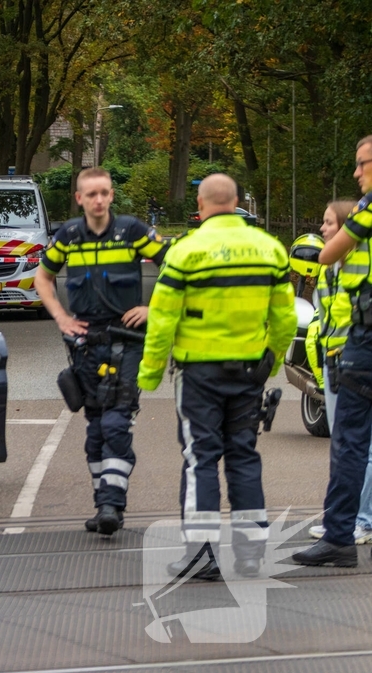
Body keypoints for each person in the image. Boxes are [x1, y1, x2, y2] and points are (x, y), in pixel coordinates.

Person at [138, 173, 295, 580]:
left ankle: (201, 555)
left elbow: (162, 320)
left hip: (199, 375)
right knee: (244, 456)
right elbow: (285, 317)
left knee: (200, 460)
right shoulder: (270, 249)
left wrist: (149, 374)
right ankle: (250, 553)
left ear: (202, 206)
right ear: (238, 201)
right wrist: (271, 361)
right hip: (248, 372)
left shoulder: (186, 251)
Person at [35, 167, 167, 536]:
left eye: (104, 193)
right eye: (90, 194)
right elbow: (42, 278)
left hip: (126, 341)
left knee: (115, 423)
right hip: (85, 345)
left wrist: (153, 308)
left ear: (111, 196)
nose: (98, 200)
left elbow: (175, 269)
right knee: (95, 431)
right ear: (79, 199)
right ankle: (102, 505)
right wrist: (61, 317)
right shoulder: (69, 236)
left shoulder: (133, 231)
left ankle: (112, 504)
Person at [294, 136, 372, 567]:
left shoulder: (368, 209)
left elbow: (328, 252)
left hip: (364, 341)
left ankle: (341, 533)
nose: (357, 173)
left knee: (351, 441)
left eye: (362, 165)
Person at [304, 202, 372, 544]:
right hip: (336, 358)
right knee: (349, 444)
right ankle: (348, 520)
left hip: (352, 357)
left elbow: (345, 317)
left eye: (330, 222)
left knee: (356, 446)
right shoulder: (333, 267)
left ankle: (361, 520)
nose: (324, 228)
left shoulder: (350, 266)